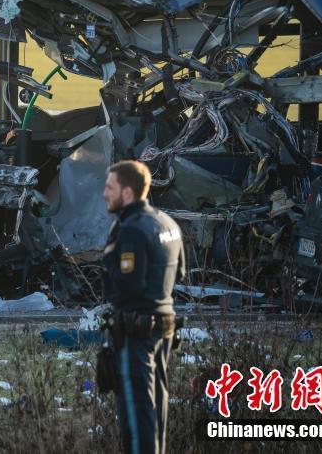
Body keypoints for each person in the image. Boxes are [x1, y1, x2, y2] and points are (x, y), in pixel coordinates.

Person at [102, 160, 185, 454]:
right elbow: (180, 275)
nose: (104, 193)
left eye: (110, 187)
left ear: (127, 192)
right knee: (155, 410)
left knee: (137, 417)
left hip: (135, 332)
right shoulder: (167, 223)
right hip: (163, 328)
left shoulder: (132, 230)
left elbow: (128, 285)